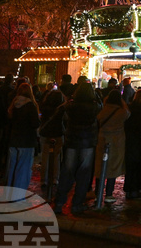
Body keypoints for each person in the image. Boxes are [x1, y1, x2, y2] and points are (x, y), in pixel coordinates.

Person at [54, 82, 101, 215]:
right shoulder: (94, 106)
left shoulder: (71, 106)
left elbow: (63, 114)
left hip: (72, 141)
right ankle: (77, 203)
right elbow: (100, 106)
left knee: (67, 171)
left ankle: (59, 202)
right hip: (88, 142)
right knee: (84, 174)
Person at [94, 90, 130, 202]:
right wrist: (122, 102)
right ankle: (109, 193)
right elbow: (128, 113)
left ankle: (98, 193)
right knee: (113, 166)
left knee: (100, 165)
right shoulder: (121, 111)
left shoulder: (103, 109)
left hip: (102, 139)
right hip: (116, 141)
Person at [6, 83, 40, 190]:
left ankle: (10, 193)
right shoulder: (30, 105)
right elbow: (35, 123)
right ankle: (18, 196)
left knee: (12, 167)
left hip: (14, 139)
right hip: (26, 140)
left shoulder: (14, 104)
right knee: (23, 169)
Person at [123, 89, 141, 200]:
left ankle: (128, 190)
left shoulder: (130, 108)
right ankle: (135, 190)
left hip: (131, 141)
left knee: (130, 167)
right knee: (140, 167)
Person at [38, 85, 66, 191]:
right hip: (58, 132)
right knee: (56, 157)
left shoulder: (44, 107)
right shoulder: (61, 108)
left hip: (46, 133)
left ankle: (43, 179)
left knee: (45, 157)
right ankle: (55, 178)